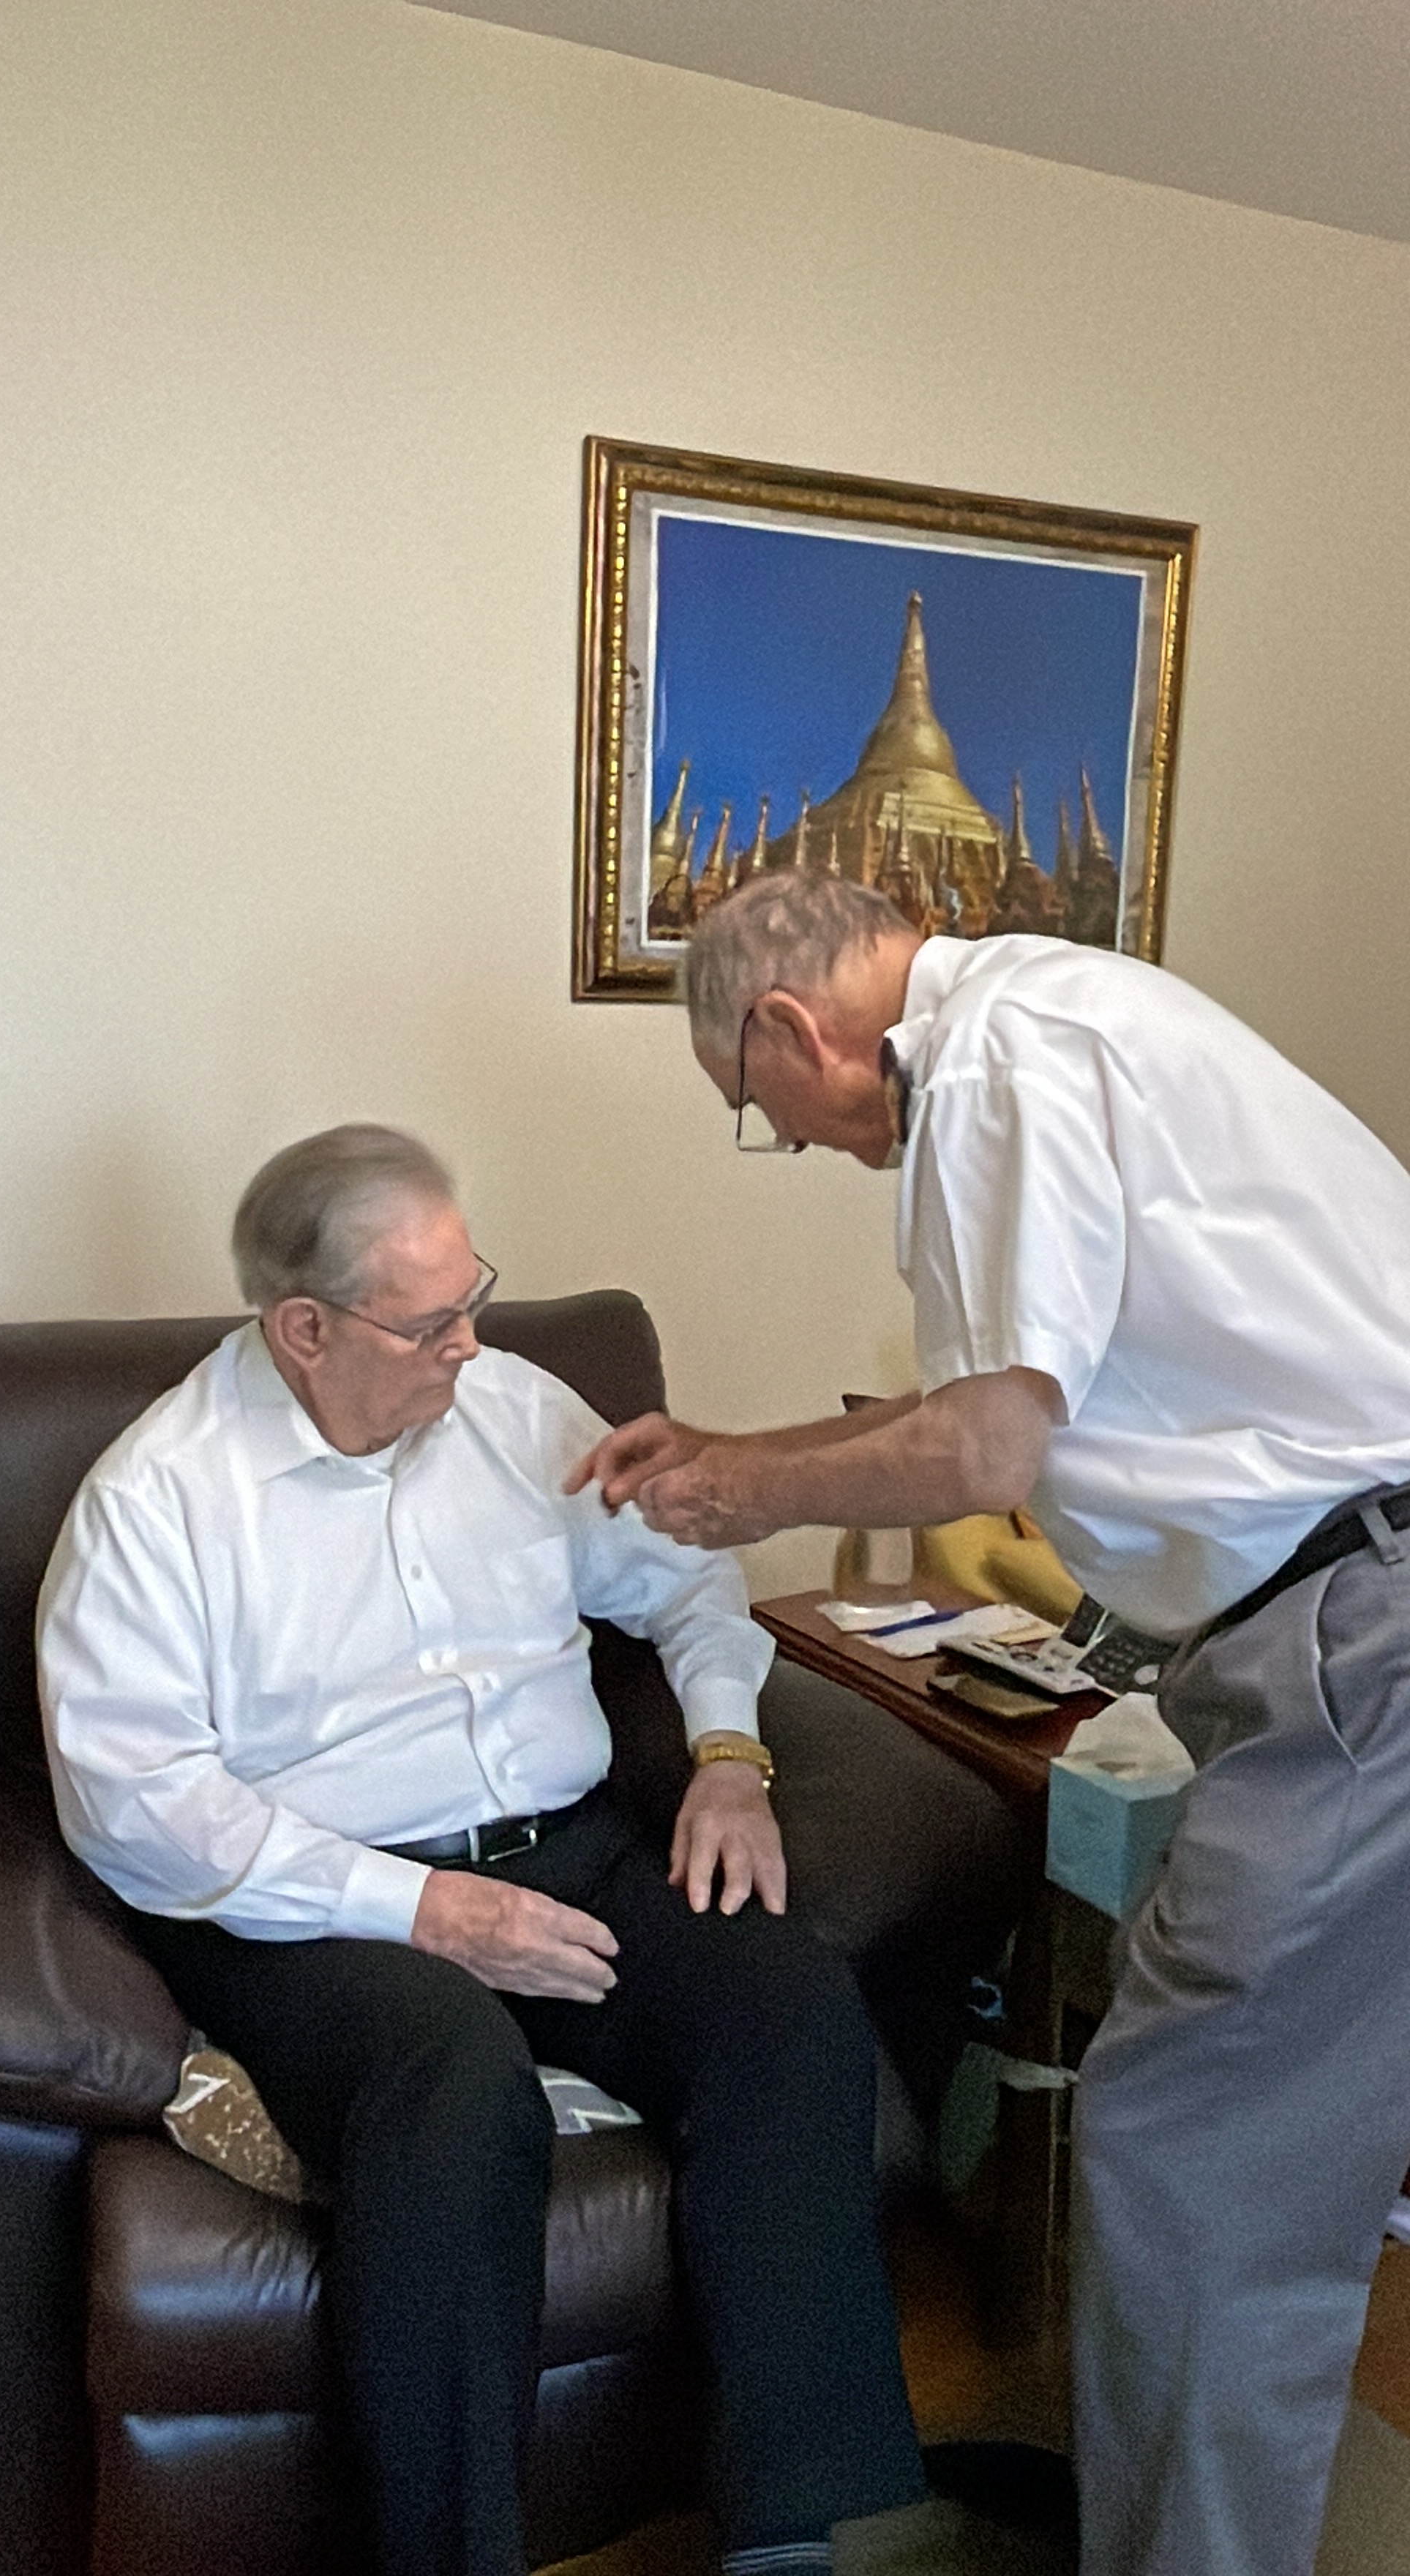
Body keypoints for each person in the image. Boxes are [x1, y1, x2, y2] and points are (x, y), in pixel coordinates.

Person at [573, 872, 1410, 2576]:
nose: (806, 1145)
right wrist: (744, 1450)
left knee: (1195, 2157)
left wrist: (743, 1489)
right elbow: (1012, 1406)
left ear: (793, 1025)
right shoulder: (1060, 1010)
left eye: (764, 1110)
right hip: (1344, 1612)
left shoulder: (991, 1065)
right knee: (1251, 2150)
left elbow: (984, 1448)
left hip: (1363, 1629)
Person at [37, 1123, 941, 2576]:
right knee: (453, 2087)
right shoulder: (162, 1499)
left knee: (780, 2005)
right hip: (317, 1903)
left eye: (475, 1298)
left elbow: (690, 1582)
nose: (470, 1343)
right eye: (430, 1323)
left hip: (565, 1852)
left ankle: (790, 2532)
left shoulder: (515, 1409)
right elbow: (135, 1801)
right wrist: (427, 1910)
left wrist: (728, 1756)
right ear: (305, 1328)